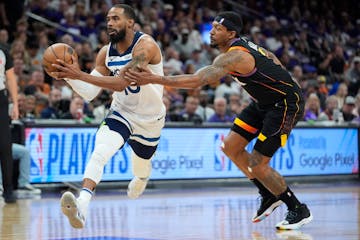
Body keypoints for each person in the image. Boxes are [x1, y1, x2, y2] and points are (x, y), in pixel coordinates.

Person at [124, 11, 312, 230]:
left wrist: (154, 78)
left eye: (217, 29)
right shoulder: (243, 47)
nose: (211, 32)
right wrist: (270, 83)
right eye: (212, 27)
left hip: (285, 105)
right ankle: (268, 194)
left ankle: (298, 209)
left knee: (257, 164)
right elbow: (271, 57)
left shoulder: (234, 56)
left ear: (231, 33)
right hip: (264, 103)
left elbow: (197, 81)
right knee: (230, 146)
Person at [52, 4, 165, 229]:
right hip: (122, 112)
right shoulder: (106, 52)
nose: (110, 23)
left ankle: (141, 178)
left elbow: (123, 82)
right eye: (108, 19)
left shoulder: (146, 46)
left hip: (150, 119)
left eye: (115, 18)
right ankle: (82, 205)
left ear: (130, 22)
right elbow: (90, 93)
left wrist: (78, 73)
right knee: (100, 151)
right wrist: (68, 76)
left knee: (142, 167)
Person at [0, 44, 18, 203]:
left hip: (1, 100)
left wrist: (15, 104)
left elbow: (11, 78)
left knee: (5, 146)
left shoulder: (4, 50)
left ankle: (8, 190)